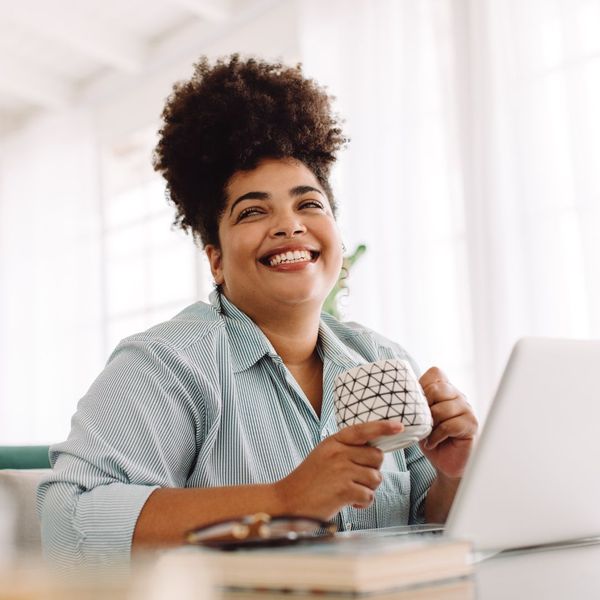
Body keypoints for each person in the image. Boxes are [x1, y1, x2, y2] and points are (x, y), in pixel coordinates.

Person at [37, 55, 478, 568]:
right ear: (216, 260)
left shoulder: (380, 358)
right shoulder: (165, 364)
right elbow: (67, 524)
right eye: (252, 211)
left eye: (309, 204)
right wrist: (281, 502)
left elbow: (432, 525)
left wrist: (455, 475)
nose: (289, 226)